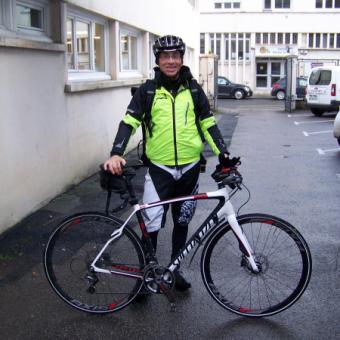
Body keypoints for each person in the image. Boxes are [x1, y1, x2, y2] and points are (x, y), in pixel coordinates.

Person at [104, 35, 230, 291]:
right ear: (158, 60)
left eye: (175, 55)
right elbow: (129, 122)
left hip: (190, 169)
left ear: (182, 58)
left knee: (182, 222)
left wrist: (224, 155)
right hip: (159, 169)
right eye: (165, 56)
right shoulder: (147, 90)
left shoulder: (194, 90)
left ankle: (175, 269)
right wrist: (117, 152)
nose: (170, 61)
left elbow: (208, 124)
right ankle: (144, 276)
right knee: (150, 224)